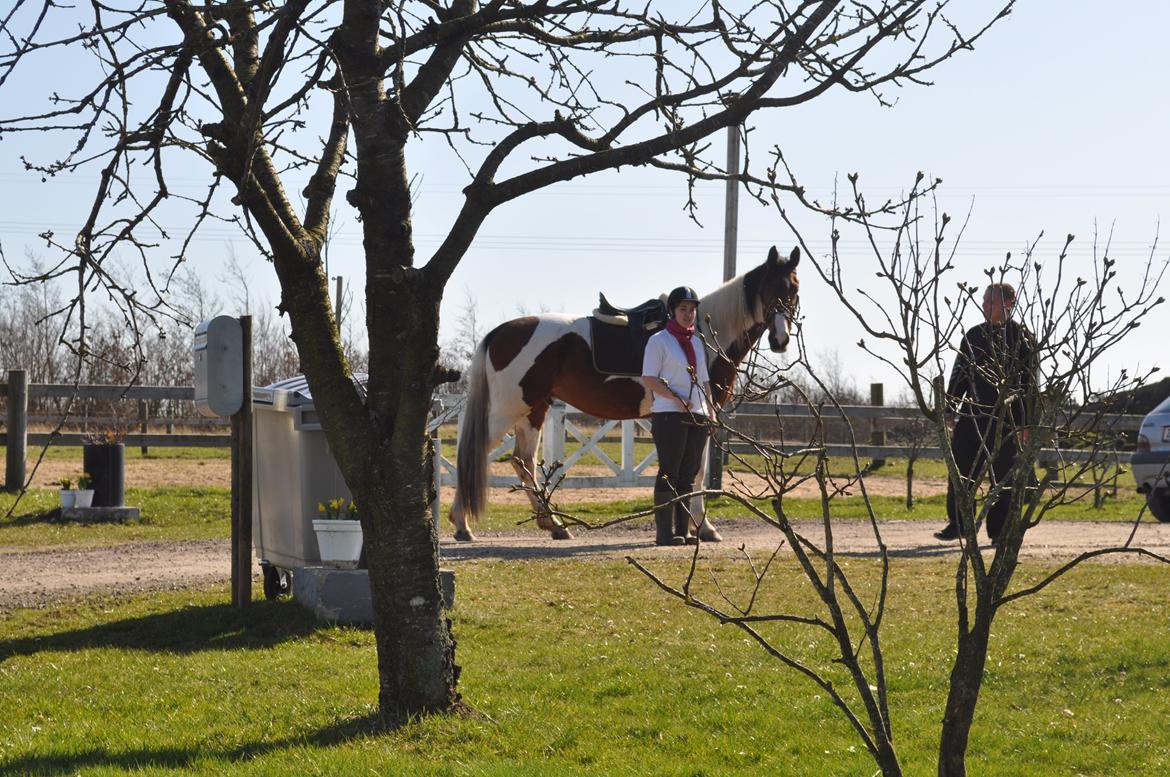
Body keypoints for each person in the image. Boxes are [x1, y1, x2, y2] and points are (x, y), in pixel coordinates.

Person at [934, 282, 1037, 543]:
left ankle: (999, 531)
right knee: (960, 471)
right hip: (973, 417)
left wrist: (1027, 424)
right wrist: (950, 408)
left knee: (1004, 478)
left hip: (1008, 421)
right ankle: (959, 524)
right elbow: (960, 375)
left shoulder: (1023, 339)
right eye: (984, 301)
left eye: (990, 301)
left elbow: (1030, 385)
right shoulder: (973, 336)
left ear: (1008, 304)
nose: (985, 306)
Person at [642, 286, 715, 546]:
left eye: (692, 309)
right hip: (669, 415)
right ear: (672, 311)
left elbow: (705, 379)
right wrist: (675, 397)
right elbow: (649, 377)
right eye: (683, 309)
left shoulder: (697, 341)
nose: (688, 314)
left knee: (688, 473)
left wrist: (711, 410)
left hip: (698, 414)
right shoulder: (659, 340)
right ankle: (664, 533)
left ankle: (683, 531)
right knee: (669, 471)